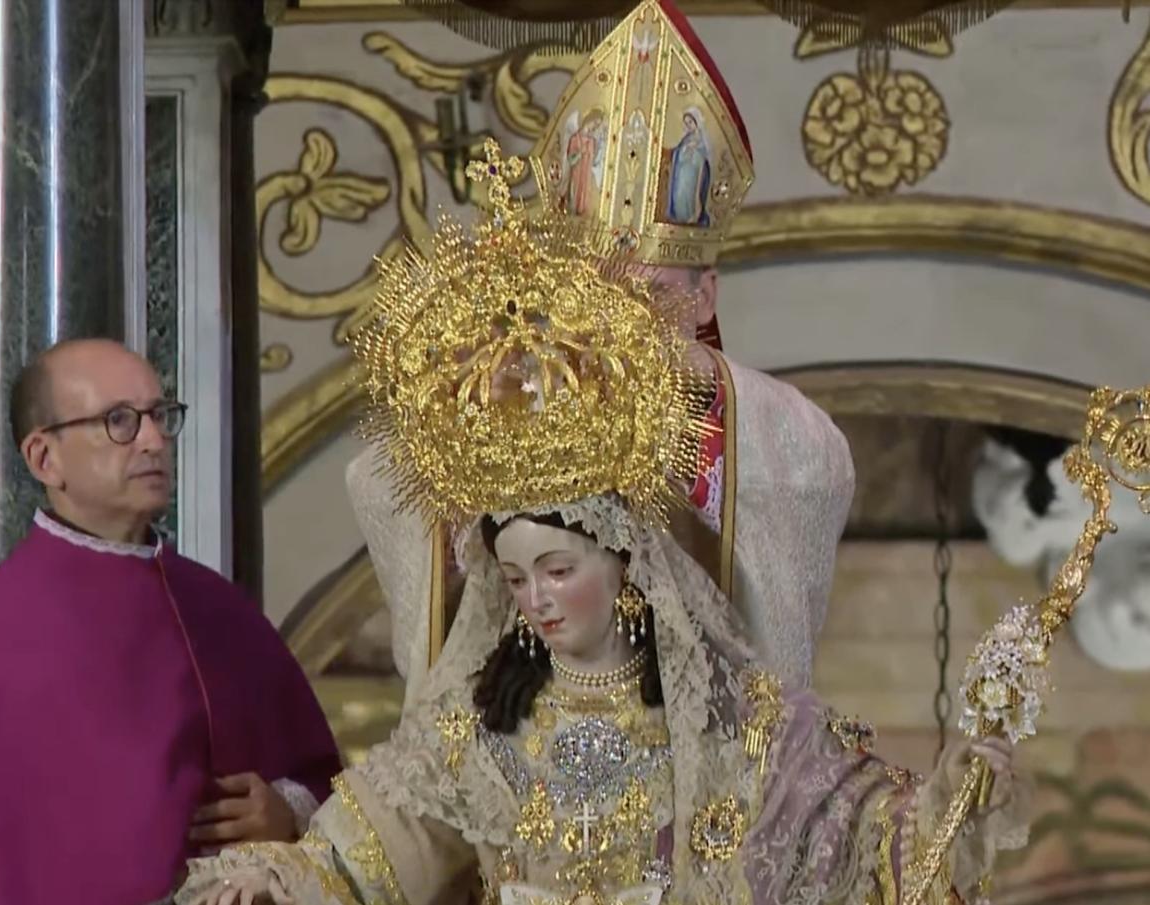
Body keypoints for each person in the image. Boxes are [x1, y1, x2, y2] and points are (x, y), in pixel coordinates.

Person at [175, 140, 1026, 905]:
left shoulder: (732, 718)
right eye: (515, 578)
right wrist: (277, 878)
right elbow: (366, 854)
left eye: (558, 569)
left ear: (626, 564)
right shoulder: (479, 725)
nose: (537, 600)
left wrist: (950, 803)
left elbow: (865, 837)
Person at [348, 0, 853, 705]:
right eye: (597, 297)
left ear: (705, 295)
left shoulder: (765, 430)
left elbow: (803, 490)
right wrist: (464, 411)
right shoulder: (520, 395)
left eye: (648, 298)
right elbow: (384, 479)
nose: (621, 325)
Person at [0, 339, 341, 905]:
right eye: (120, 421)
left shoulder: (218, 609)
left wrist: (286, 811)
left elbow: (321, 781)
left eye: (160, 416)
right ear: (45, 459)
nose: (154, 440)